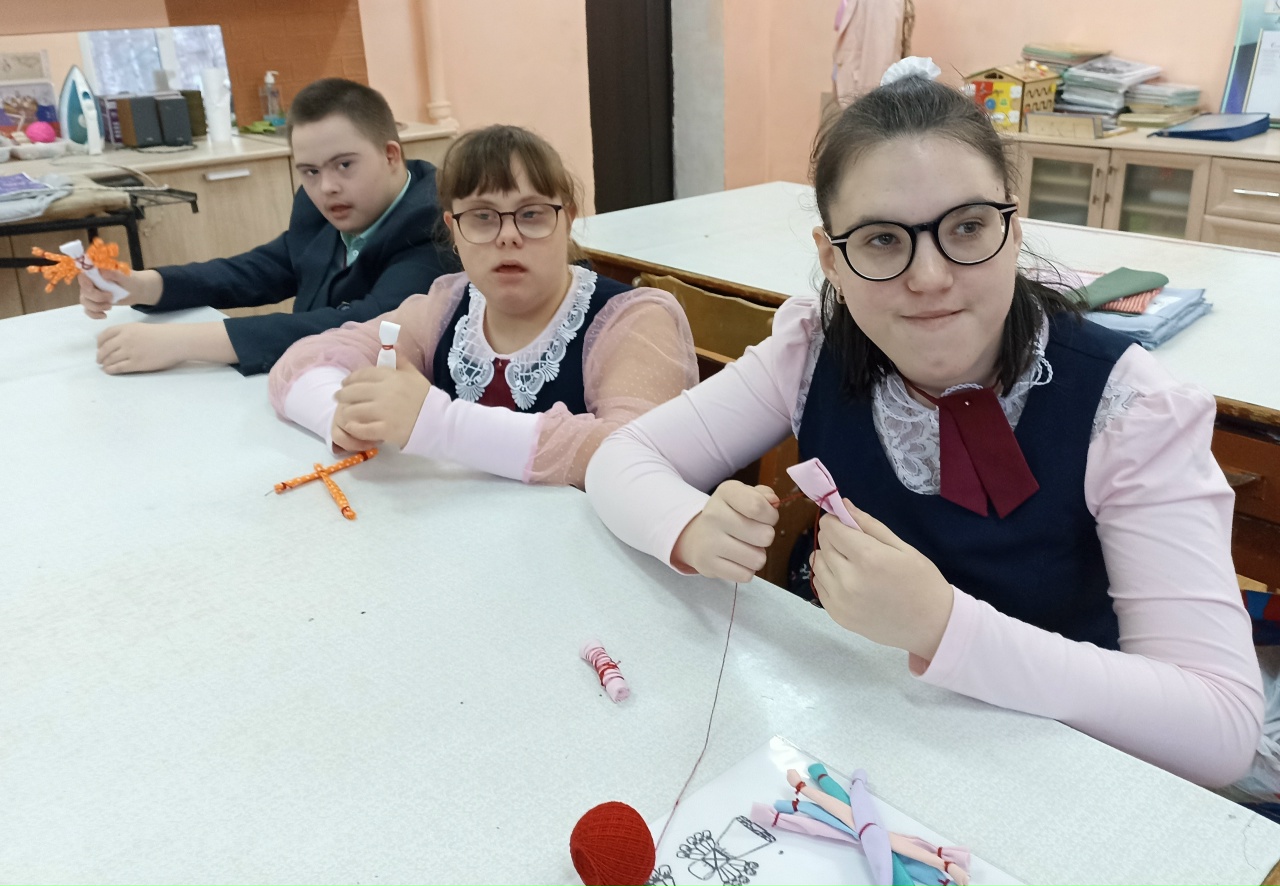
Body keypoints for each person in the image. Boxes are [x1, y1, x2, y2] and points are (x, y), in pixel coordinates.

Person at [585, 60, 1262, 787]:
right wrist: (691, 527)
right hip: (849, 736)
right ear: (831, 260)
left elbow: (1219, 729)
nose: (931, 278)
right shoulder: (811, 351)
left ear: (1013, 227)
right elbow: (620, 459)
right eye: (882, 239)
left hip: (1048, 767)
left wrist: (943, 626)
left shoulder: (1129, 409)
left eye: (967, 227)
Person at [268, 124, 697, 489]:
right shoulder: (447, 306)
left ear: (567, 219)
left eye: (531, 214)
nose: (507, 236)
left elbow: (637, 455)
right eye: (482, 217)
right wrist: (341, 417)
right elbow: (301, 361)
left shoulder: (632, 319)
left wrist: (441, 424)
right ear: (453, 229)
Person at [80, 78, 454, 376]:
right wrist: (144, 284)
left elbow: (365, 324)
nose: (326, 187)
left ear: (390, 155)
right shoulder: (323, 205)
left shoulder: (435, 223)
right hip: (308, 388)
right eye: (310, 171)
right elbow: (260, 270)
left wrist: (182, 343)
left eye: (344, 165)